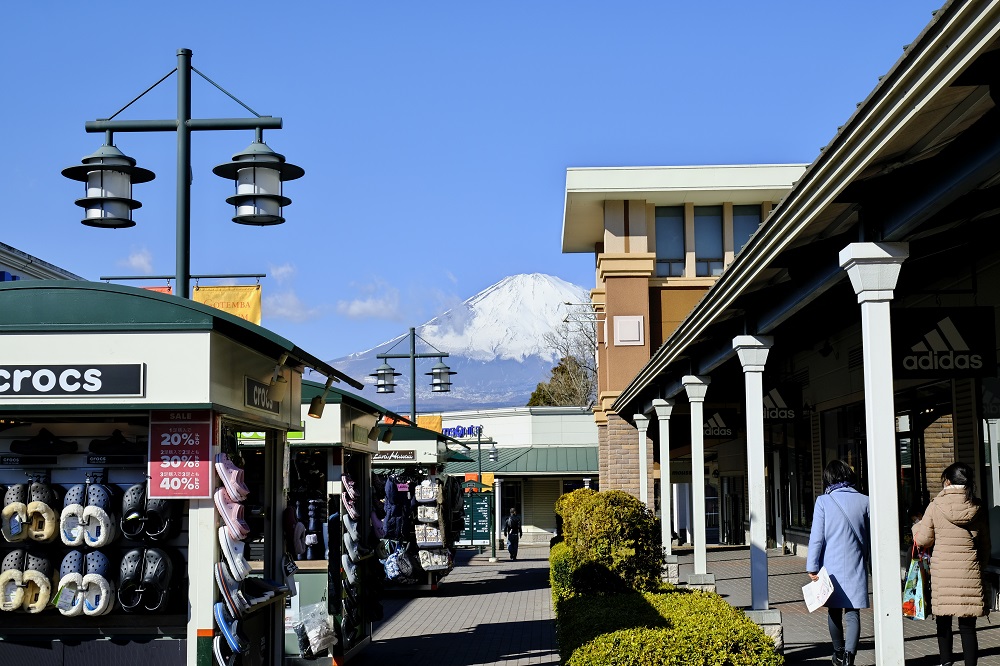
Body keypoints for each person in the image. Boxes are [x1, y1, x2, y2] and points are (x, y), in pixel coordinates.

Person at [912, 461, 991, 666]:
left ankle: (946, 662)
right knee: (967, 625)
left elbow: (923, 540)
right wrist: (978, 566)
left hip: (943, 572)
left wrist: (916, 527)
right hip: (969, 570)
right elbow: (984, 544)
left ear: (947, 481)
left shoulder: (935, 506)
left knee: (943, 621)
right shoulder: (978, 507)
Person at [806, 460, 870, 666]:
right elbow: (870, 535)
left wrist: (812, 566)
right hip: (856, 563)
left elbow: (817, 537)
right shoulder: (865, 501)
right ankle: (850, 656)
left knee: (833, 610)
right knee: (853, 612)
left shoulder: (824, 501)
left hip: (830, 565)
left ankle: (838, 652)